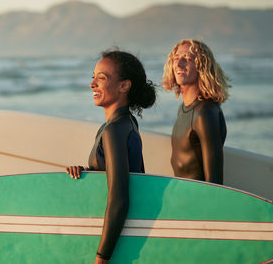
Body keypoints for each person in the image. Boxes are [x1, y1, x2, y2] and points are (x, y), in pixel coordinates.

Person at [66, 50, 156, 263]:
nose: (92, 84)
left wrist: (101, 257)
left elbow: (119, 199)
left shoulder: (114, 130)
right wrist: (89, 174)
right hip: (127, 232)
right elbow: (124, 174)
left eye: (102, 78)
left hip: (117, 240)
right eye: (93, 77)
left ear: (124, 86)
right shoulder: (126, 123)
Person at [162, 39, 231, 184]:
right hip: (182, 195)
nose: (179, 64)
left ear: (202, 67)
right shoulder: (183, 109)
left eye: (187, 58)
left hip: (197, 200)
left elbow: (215, 181)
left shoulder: (205, 112)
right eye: (176, 58)